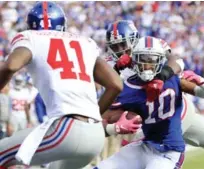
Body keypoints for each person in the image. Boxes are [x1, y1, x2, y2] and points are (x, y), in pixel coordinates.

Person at [0, 2, 124, 169]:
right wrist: (94, 115)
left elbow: (11, 65)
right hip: (95, 136)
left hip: (66, 129)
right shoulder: (84, 42)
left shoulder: (30, 37)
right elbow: (116, 84)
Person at [103, 20, 204, 152]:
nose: (119, 50)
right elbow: (112, 95)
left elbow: (177, 60)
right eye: (115, 46)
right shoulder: (109, 64)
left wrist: (161, 77)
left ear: (134, 39)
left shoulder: (150, 45)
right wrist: (117, 69)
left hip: (175, 110)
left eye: (122, 44)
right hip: (147, 120)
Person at [94, 36, 198, 169]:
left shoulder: (171, 77)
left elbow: (176, 59)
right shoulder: (126, 82)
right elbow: (96, 121)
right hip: (144, 142)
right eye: (143, 58)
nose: (147, 64)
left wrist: (162, 78)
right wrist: (114, 127)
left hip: (167, 148)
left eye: (152, 59)